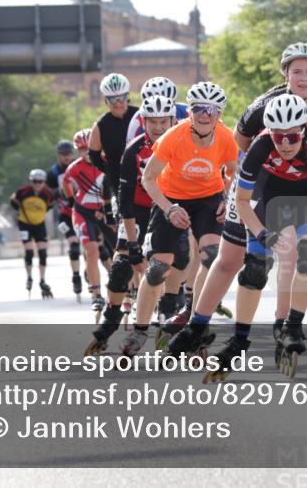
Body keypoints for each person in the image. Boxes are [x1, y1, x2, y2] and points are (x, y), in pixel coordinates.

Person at [169, 93, 307, 379]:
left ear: (304, 131)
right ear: (269, 132)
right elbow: (243, 201)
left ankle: (293, 326)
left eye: (292, 138)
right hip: (266, 193)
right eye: (278, 137)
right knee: (255, 270)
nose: (285, 144)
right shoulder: (260, 146)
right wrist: (262, 233)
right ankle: (238, 341)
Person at [192, 42, 307, 342]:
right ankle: (197, 323)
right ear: (286, 74)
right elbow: (236, 145)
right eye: (297, 71)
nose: (304, 78)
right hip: (256, 179)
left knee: (295, 253)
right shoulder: (261, 107)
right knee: (231, 259)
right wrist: (238, 184)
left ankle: (283, 323)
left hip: (297, 184)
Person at [119, 81, 239, 356]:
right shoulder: (173, 136)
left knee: (211, 254)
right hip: (171, 197)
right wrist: (169, 208)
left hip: (209, 198)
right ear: (189, 112)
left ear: (219, 114)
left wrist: (227, 199)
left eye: (212, 109)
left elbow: (234, 172)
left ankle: (193, 313)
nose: (205, 114)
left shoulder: (225, 137)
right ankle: (139, 330)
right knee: (159, 267)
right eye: (198, 108)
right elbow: (148, 179)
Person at [85, 93, 178, 355]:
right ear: (144, 121)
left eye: (164, 122)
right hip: (137, 209)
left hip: (169, 208)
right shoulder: (134, 150)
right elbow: (125, 202)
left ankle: (170, 312)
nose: (159, 128)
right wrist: (133, 244)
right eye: (153, 122)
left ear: (173, 120)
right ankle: (111, 317)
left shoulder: (182, 144)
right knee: (122, 265)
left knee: (169, 264)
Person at [64, 128, 116, 318]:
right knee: (92, 249)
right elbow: (66, 184)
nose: (87, 153)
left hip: (105, 211)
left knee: (119, 250)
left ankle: (128, 290)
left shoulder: (106, 163)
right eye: (82, 150)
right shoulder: (74, 168)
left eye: (89, 149)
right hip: (83, 212)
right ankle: (96, 295)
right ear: (78, 150)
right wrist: (72, 200)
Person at [87, 73, 138, 258]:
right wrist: (109, 171)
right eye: (112, 99)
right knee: (126, 242)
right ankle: (128, 282)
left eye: (122, 97)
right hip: (120, 186)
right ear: (106, 100)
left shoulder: (139, 115)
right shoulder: (101, 125)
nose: (118, 102)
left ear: (128, 96)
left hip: (144, 182)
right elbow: (93, 154)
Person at [10, 169, 56, 299]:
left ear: (44, 182)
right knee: (29, 252)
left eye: (40, 182)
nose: (37, 184)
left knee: (42, 252)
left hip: (39, 225)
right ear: (32, 181)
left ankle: (42, 279)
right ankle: (29, 277)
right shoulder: (23, 191)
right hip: (25, 223)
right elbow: (13, 201)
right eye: (35, 181)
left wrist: (39, 214)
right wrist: (20, 211)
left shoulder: (48, 194)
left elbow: (50, 206)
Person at [48, 139, 84, 301]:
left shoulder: (78, 167)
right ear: (58, 155)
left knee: (95, 248)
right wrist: (58, 192)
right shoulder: (53, 173)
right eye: (63, 155)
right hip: (64, 215)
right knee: (74, 246)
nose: (66, 158)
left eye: (69, 154)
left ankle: (88, 271)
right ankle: (76, 277)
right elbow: (48, 194)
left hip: (82, 212)